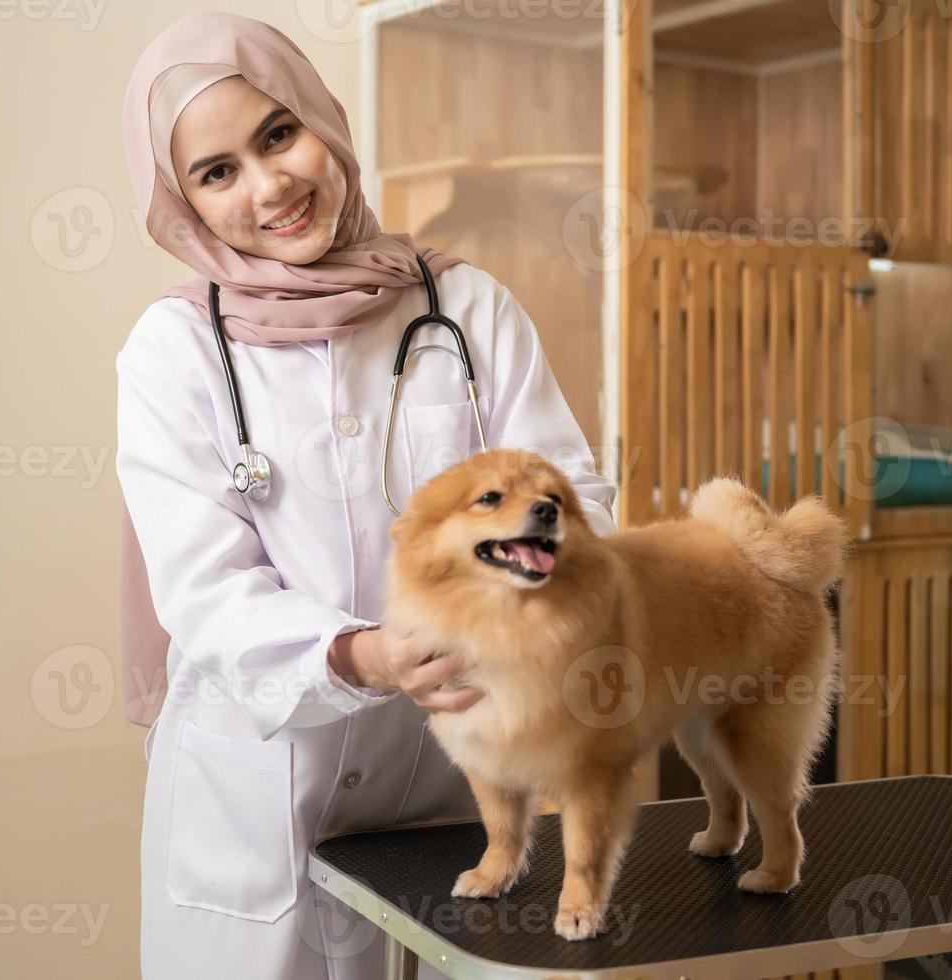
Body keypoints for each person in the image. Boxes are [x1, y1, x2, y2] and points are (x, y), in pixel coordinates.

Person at [116, 13, 617, 979]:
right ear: (181, 201)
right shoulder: (172, 352)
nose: (271, 186)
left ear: (322, 117)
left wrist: (525, 604)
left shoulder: (466, 309)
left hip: (448, 787)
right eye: (216, 172)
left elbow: (570, 496)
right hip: (253, 807)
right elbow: (204, 588)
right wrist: (362, 656)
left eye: (277, 134)